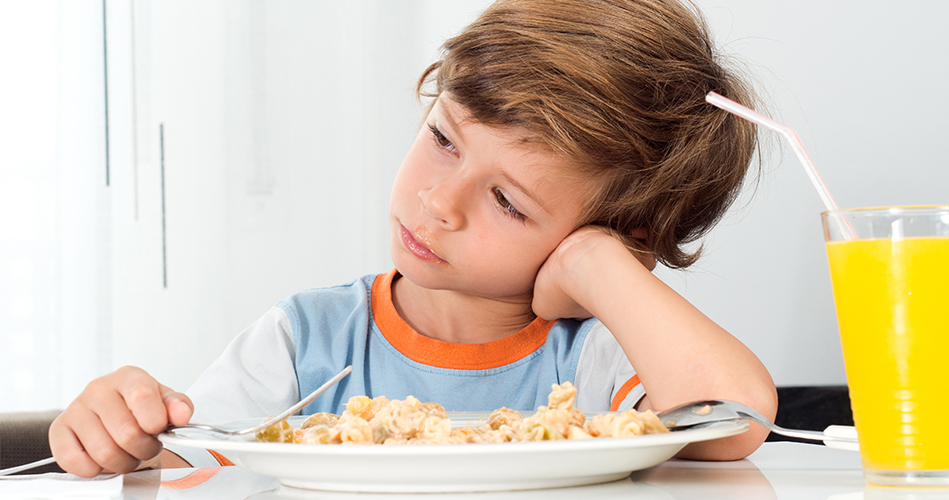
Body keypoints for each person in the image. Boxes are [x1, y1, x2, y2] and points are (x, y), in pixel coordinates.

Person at [50, 0, 777, 477]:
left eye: (507, 202)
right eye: (442, 139)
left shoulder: (598, 354)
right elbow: (185, 473)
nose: (437, 201)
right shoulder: (306, 342)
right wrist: (124, 438)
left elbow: (732, 422)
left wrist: (599, 264)